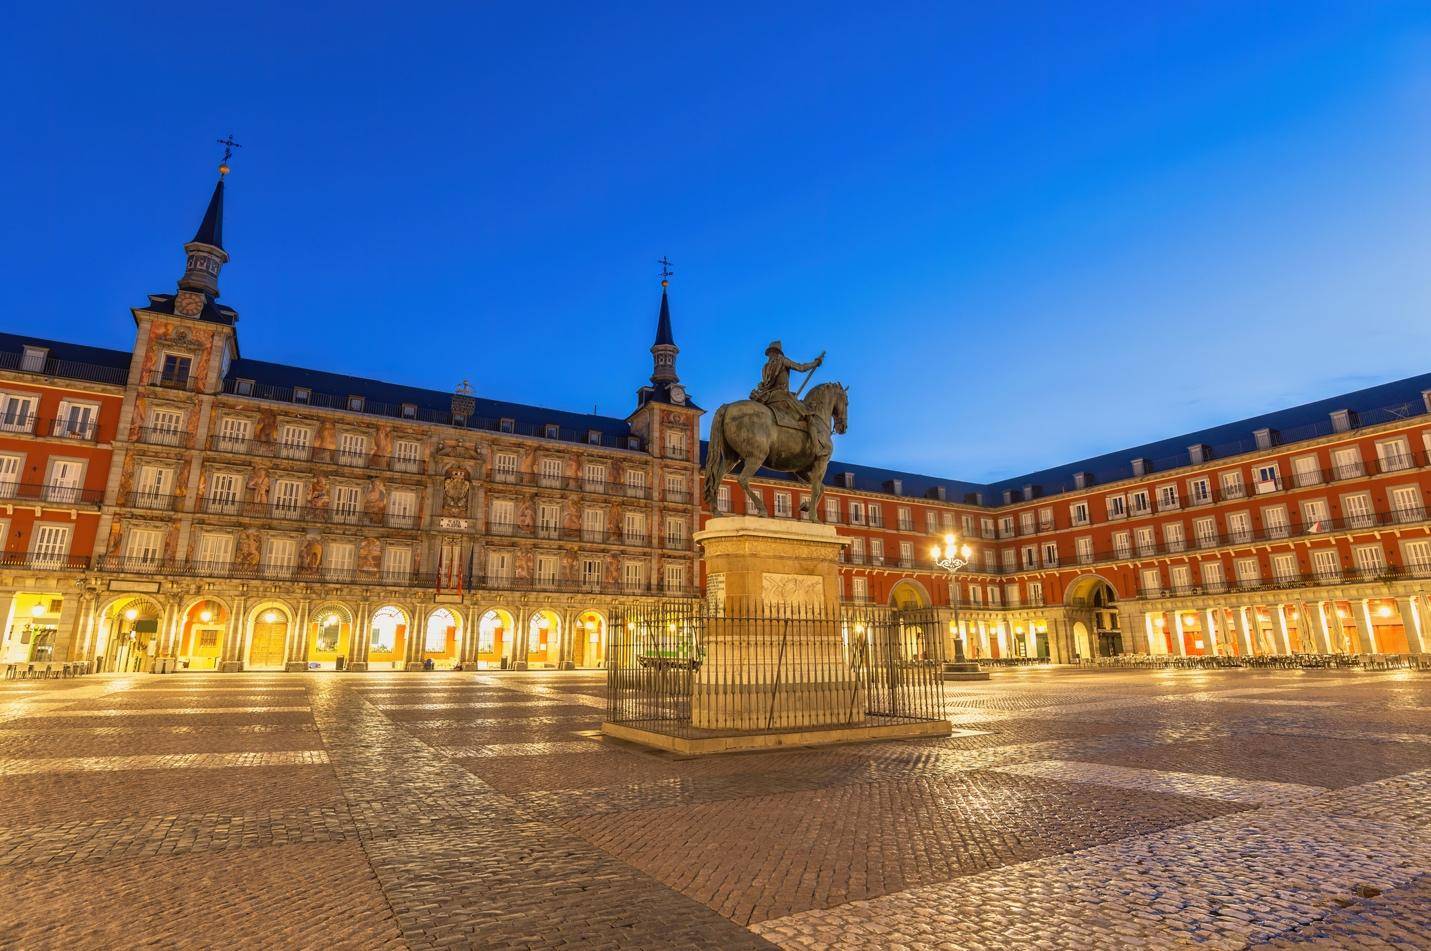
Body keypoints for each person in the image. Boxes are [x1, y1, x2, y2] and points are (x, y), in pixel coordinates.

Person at [750, 341, 827, 452]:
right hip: (782, 396)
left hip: (768, 398)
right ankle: (816, 448)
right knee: (809, 416)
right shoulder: (782, 360)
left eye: (770, 353)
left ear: (770, 353)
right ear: (778, 352)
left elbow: (765, 384)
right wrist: (815, 363)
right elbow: (801, 368)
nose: (770, 355)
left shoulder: (765, 367)